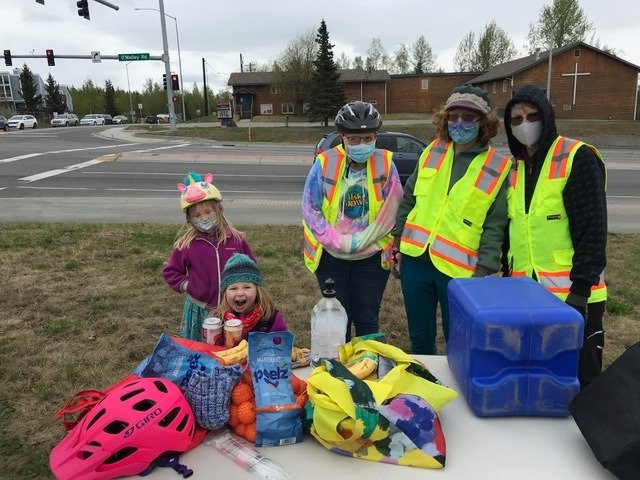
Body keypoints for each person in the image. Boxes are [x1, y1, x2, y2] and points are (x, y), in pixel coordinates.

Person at [392, 84, 512, 355]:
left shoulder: (497, 167)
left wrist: (484, 269)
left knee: (458, 341)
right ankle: (424, 390)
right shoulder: (433, 151)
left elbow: (496, 224)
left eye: (469, 117)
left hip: (459, 272)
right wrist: (397, 243)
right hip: (415, 261)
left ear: (483, 122)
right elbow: (409, 198)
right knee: (420, 339)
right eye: (453, 116)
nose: (460, 123)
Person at [502, 85, 607, 389]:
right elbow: (515, 229)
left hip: (572, 294)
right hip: (525, 293)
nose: (525, 125)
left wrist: (580, 291)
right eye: (516, 119)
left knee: (579, 378)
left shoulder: (578, 157)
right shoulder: (517, 167)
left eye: (532, 116)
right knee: (536, 375)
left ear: (547, 116)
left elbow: (593, 228)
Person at [302, 100, 403, 340]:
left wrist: (359, 242)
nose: (362, 145)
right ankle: (341, 370)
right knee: (339, 319)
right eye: (354, 140)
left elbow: (392, 208)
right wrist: (339, 242)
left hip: (370, 256)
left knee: (367, 318)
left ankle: (367, 365)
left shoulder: (386, 163)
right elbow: (310, 208)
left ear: (376, 135)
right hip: (331, 256)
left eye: (368, 138)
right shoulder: (325, 162)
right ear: (342, 137)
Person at [163, 171, 256, 340]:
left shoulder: (236, 239)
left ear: (218, 210)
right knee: (201, 350)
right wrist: (189, 285)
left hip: (234, 306)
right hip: (201, 309)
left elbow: (252, 268)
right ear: (189, 219)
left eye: (208, 213)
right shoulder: (187, 244)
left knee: (232, 348)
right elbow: (171, 272)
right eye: (197, 215)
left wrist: (246, 291)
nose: (204, 218)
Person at [215, 253, 288, 336]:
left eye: (246, 287)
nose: (240, 293)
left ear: (257, 291)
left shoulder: (271, 317)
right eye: (233, 288)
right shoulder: (219, 319)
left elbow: (282, 343)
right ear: (225, 293)